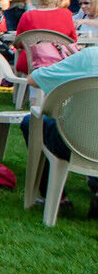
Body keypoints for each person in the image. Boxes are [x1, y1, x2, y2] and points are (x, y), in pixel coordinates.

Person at [20, 45, 98, 217]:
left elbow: (33, 80)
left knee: (30, 122)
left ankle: (56, 196)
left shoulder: (89, 57)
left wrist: (72, 63)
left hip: (75, 143)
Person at [14, 0, 79, 72]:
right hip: (61, 61)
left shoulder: (28, 16)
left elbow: (19, 44)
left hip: (32, 63)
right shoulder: (66, 14)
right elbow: (73, 40)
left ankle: (21, 84)